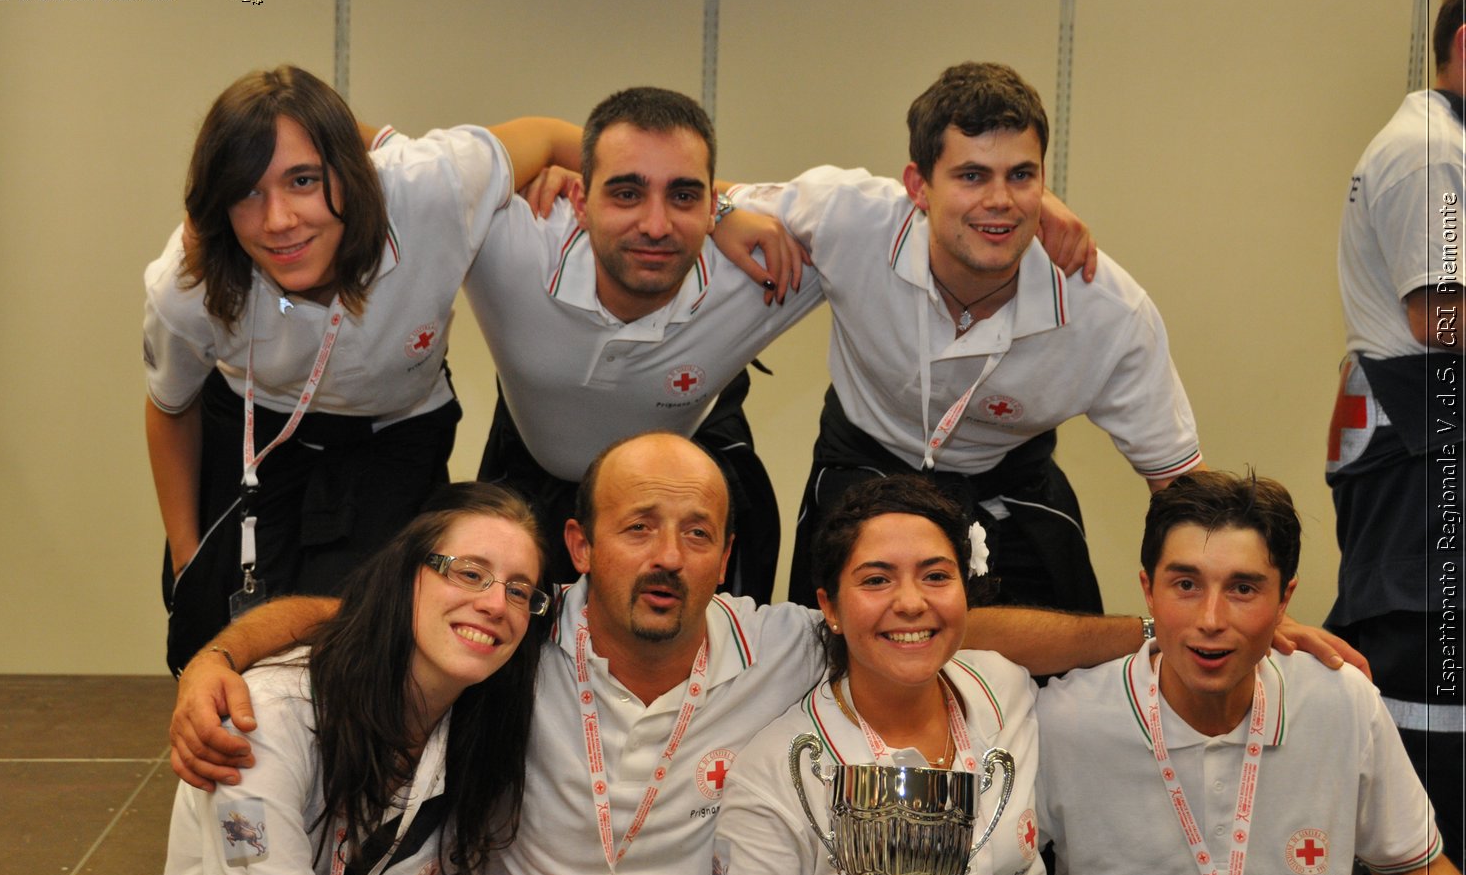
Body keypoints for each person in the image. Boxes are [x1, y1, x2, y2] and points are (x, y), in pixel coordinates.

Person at [166, 435, 1357, 875]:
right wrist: (217, 652)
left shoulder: (783, 641)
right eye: (638, 526)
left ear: (732, 557)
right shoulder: (521, 629)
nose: (668, 556)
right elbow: (370, 612)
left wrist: (1183, 620)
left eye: (697, 531)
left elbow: (962, 625)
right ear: (580, 548)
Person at [143, 65, 580, 675]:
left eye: (303, 181)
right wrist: (190, 560)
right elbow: (170, 409)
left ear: (349, 174)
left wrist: (714, 209)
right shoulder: (189, 284)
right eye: (247, 192)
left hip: (393, 430)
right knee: (212, 637)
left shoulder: (434, 188)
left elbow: (555, 135)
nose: (278, 221)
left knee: (362, 640)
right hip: (254, 425)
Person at [728, 62, 1202, 613]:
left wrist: (1236, 611)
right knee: (829, 677)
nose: (999, 199)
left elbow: (1180, 487)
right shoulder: (848, 216)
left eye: (1021, 176)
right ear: (917, 186)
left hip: (1010, 492)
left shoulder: (1108, 312)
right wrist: (721, 212)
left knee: (1065, 682)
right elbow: (685, 192)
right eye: (972, 176)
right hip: (863, 469)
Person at [1036, 471, 1466, 875]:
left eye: (1243, 588)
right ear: (1148, 592)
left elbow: (1411, 868)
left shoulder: (1339, 698)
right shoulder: (1066, 717)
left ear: (1284, 601)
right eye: (1186, 585)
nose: (1212, 618)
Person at [120, 482, 551, 875]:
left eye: (518, 591)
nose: (496, 605)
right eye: (470, 573)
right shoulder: (265, 719)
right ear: (406, 576)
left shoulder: (471, 735)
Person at [451, 86, 821, 602]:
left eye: (684, 197)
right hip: (529, 469)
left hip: (684, 467)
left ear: (709, 203)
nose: (655, 226)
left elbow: (912, 220)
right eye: (625, 193)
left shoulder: (765, 260)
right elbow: (382, 170)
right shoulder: (509, 238)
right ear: (581, 201)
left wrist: (730, 207)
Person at [700, 475, 1065, 875]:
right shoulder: (783, 764)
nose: (912, 602)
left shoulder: (1007, 688)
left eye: (936, 576)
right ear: (829, 607)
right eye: (876, 580)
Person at [1325, 0, 1465, 866]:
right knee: (1426, 678)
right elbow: (1439, 312)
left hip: (1428, 441)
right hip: (1423, 453)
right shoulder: (1428, 150)